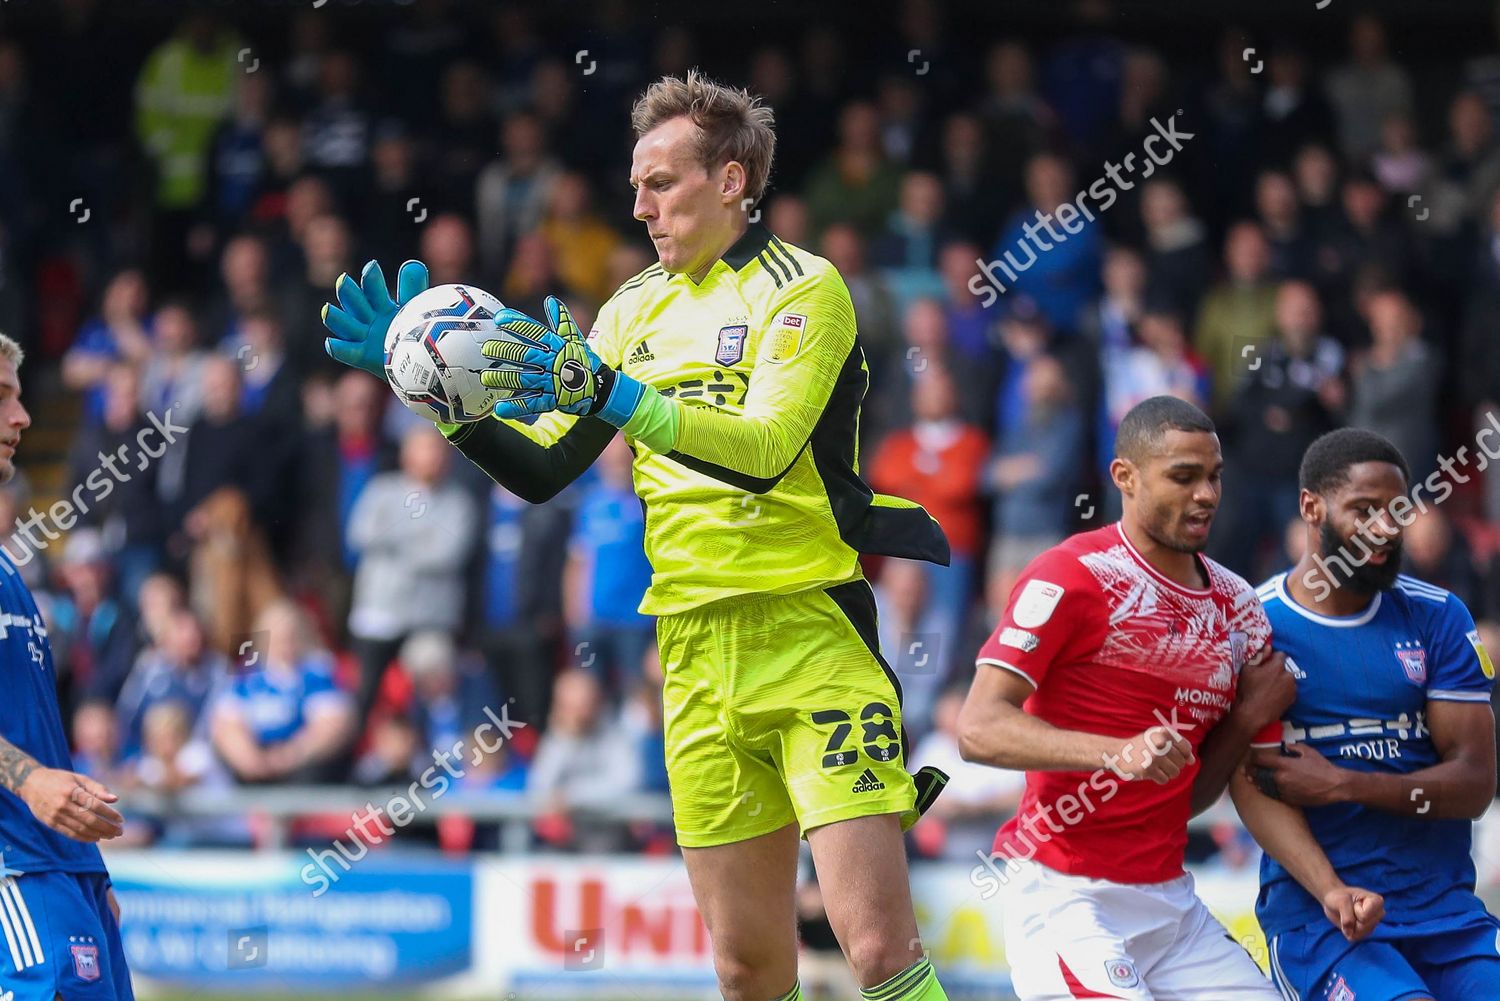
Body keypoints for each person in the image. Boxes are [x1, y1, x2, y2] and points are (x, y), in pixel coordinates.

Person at [322, 70, 953, 1001]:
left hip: (811, 633)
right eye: (634, 183)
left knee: (878, 951)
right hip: (690, 652)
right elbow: (543, 470)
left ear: (732, 180)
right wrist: (439, 397)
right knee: (746, 968)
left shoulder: (805, 290)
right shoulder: (629, 309)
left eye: (661, 181)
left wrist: (615, 393)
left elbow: (768, 450)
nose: (639, 203)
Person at [956, 395, 1320, 1000]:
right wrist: (1115, 753)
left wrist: (1248, 718)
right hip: (1065, 893)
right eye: (1183, 477)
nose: (1205, 494)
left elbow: (1191, 796)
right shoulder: (1071, 574)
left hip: (1172, 905)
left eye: (1214, 477)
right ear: (1124, 476)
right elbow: (977, 729)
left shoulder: (1239, 606)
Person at [1231, 428, 1500, 1001]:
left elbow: (1475, 783)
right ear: (1311, 506)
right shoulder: (1253, 626)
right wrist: (1330, 890)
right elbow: (1252, 785)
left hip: (1449, 917)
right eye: (1363, 511)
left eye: (1395, 511)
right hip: (1323, 926)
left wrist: (1344, 784)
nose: (1383, 529)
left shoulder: (1439, 617)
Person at [0, 331, 136, 999]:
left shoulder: (10, 569)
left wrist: (92, 869)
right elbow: (31, 766)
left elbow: (35, 728)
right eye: (2, 399)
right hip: (14, 870)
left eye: (21, 399)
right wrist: (27, 784)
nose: (21, 417)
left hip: (64, 869)